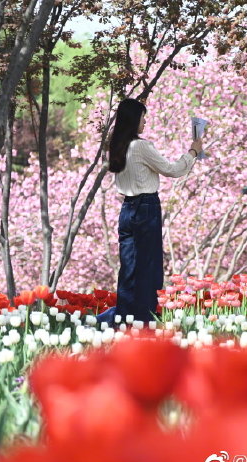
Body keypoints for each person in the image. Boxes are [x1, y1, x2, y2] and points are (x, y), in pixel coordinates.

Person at [96, 98, 203, 326]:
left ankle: (124, 318)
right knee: (149, 267)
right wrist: (192, 152)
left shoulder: (117, 146)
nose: (145, 121)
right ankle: (144, 320)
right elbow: (172, 170)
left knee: (130, 268)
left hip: (127, 210)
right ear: (135, 119)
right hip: (146, 208)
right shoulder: (141, 146)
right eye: (143, 117)